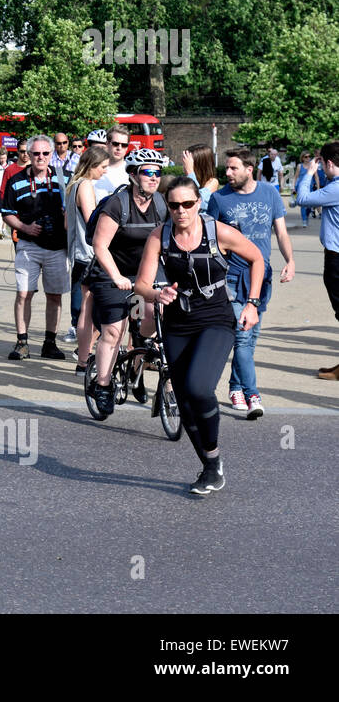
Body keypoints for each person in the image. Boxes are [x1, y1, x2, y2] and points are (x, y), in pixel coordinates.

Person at [136, 176, 264, 494]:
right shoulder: (160, 236)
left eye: (188, 204)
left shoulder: (217, 231)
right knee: (184, 400)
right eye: (174, 205)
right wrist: (156, 295)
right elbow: (141, 284)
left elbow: (257, 258)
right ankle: (211, 464)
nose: (181, 211)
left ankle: (211, 459)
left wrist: (252, 303)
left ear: (198, 203)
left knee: (198, 386)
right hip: (177, 322)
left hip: (216, 319)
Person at [206, 149, 295, 418]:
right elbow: (209, 239)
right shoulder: (219, 199)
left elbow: (280, 231)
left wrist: (289, 260)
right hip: (231, 277)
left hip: (262, 276)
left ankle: (235, 387)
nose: (228, 173)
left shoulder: (269, 193)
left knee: (251, 337)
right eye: (227, 169)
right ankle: (252, 394)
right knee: (243, 338)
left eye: (233, 168)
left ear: (249, 168)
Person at [85, 148, 168, 410]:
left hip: (146, 271)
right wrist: (117, 277)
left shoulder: (162, 204)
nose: (154, 178)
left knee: (159, 311)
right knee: (113, 331)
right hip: (112, 272)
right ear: (133, 174)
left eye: (158, 173)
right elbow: (100, 246)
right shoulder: (117, 204)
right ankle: (104, 384)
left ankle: (138, 359)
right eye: (147, 172)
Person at [1, 135, 70, 360]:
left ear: (51, 155)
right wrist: (24, 227)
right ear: (28, 155)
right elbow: (7, 212)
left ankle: (50, 342)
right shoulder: (16, 180)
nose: (40, 157)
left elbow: (76, 208)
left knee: (55, 296)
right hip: (28, 246)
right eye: (36, 153)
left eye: (45, 153)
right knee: (23, 293)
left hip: (57, 247)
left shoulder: (64, 179)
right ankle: (22, 342)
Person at [296, 143, 339, 379]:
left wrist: (309, 173)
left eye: (322, 163)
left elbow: (303, 198)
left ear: (329, 163)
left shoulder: (336, 189)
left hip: (336, 257)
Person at [64, 145, 109, 371]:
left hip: (77, 254)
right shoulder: (86, 186)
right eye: (102, 167)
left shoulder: (73, 185)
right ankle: (84, 355)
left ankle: (83, 357)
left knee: (86, 307)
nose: (105, 172)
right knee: (90, 309)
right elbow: (92, 220)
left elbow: (66, 223)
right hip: (89, 254)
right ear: (91, 166)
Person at [94, 124, 133, 202]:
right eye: (115, 144)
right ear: (107, 144)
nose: (119, 148)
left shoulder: (132, 173)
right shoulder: (93, 169)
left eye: (124, 145)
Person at [182, 145, 220, 211]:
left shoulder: (213, 182)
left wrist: (190, 172)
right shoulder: (186, 179)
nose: (184, 167)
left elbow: (198, 201)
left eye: (187, 164)